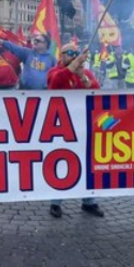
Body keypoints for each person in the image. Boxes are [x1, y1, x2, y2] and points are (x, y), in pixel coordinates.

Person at [47, 43, 105, 218]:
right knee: (61, 163)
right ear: (62, 55)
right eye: (70, 53)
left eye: (76, 53)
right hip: (62, 127)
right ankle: (55, 202)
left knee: (87, 163)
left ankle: (89, 201)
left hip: (84, 125)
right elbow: (56, 82)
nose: (74, 56)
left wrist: (82, 76)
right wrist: (74, 65)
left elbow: (96, 92)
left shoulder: (84, 73)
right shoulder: (54, 71)